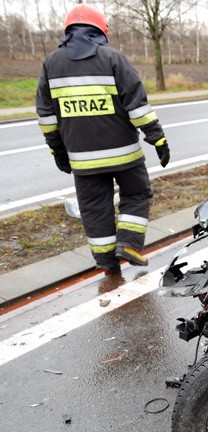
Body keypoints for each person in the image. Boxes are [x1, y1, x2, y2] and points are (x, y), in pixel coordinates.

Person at [36, 3, 170, 275]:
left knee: (94, 209)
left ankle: (107, 264)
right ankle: (129, 244)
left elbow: (47, 116)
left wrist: (59, 153)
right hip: (125, 156)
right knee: (136, 193)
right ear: (101, 29)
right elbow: (137, 104)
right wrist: (158, 138)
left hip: (83, 160)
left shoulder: (51, 64)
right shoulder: (113, 58)